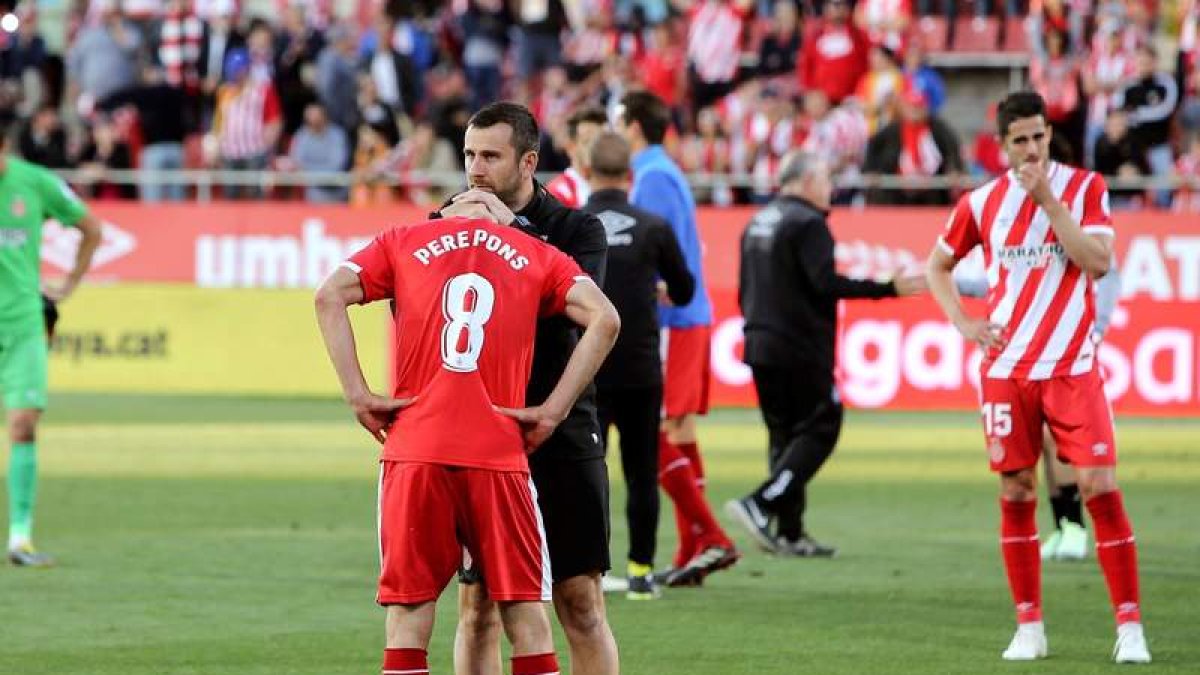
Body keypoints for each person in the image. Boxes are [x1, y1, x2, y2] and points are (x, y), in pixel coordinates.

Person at [315, 208, 620, 675]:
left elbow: (328, 296)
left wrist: (359, 395)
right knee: (526, 618)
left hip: (415, 449)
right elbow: (606, 319)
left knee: (408, 620)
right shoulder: (537, 251)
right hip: (497, 451)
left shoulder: (405, 239)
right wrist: (553, 411)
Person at [925, 90, 1151, 663]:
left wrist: (1050, 202)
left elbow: (1097, 263)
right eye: (1019, 139)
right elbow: (938, 265)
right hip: (1007, 369)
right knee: (1016, 490)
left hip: (1073, 365)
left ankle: (1129, 627)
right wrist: (962, 322)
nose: (1030, 149)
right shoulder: (982, 202)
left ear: (1050, 134)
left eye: (1038, 136)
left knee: (1100, 485)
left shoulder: (1084, 188)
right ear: (1002, 145)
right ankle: (1029, 626)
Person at [444, 102, 619, 675]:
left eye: (490, 156)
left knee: (581, 603)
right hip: (483, 433)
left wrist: (508, 234)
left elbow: (575, 313)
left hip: (561, 426)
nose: (476, 169)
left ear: (528, 161)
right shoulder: (447, 223)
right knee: (478, 607)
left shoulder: (578, 228)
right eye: (470, 154)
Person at [724, 150, 927, 557]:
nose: (830, 186)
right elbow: (825, 283)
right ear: (802, 182)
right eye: (824, 177)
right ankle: (761, 503)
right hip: (799, 346)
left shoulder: (758, 221)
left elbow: (744, 286)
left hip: (759, 342)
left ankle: (790, 532)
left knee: (785, 435)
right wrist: (887, 289)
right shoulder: (809, 223)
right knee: (822, 424)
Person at [614, 90, 739, 584]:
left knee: (654, 430)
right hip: (688, 317)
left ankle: (711, 536)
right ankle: (694, 549)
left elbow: (661, 251)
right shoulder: (662, 171)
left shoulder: (653, 177)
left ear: (635, 128)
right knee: (680, 431)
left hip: (673, 320)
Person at [581, 131, 697, 599]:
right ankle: (642, 571)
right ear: (630, 176)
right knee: (641, 472)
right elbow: (685, 289)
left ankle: (591, 569)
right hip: (641, 368)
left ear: (587, 171)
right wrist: (659, 290)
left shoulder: (574, 224)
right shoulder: (652, 226)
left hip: (587, 370)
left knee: (589, 471)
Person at [956, 264, 1122, 562]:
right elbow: (1003, 279)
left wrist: (1099, 325)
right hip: (1029, 348)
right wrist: (948, 281)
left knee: (1054, 438)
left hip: (1067, 346)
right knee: (1043, 442)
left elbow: (1106, 269)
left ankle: (1074, 526)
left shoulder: (1073, 225)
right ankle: (1062, 524)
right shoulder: (1022, 238)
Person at [0, 122, 102, 566]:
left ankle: (20, 536)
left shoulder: (35, 182)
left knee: (22, 424)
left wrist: (70, 283)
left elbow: (91, 227)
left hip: (22, 324)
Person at [546, 106, 608, 208]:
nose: (597, 149)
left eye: (601, 142)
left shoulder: (620, 185)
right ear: (570, 147)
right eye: (587, 141)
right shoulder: (558, 193)